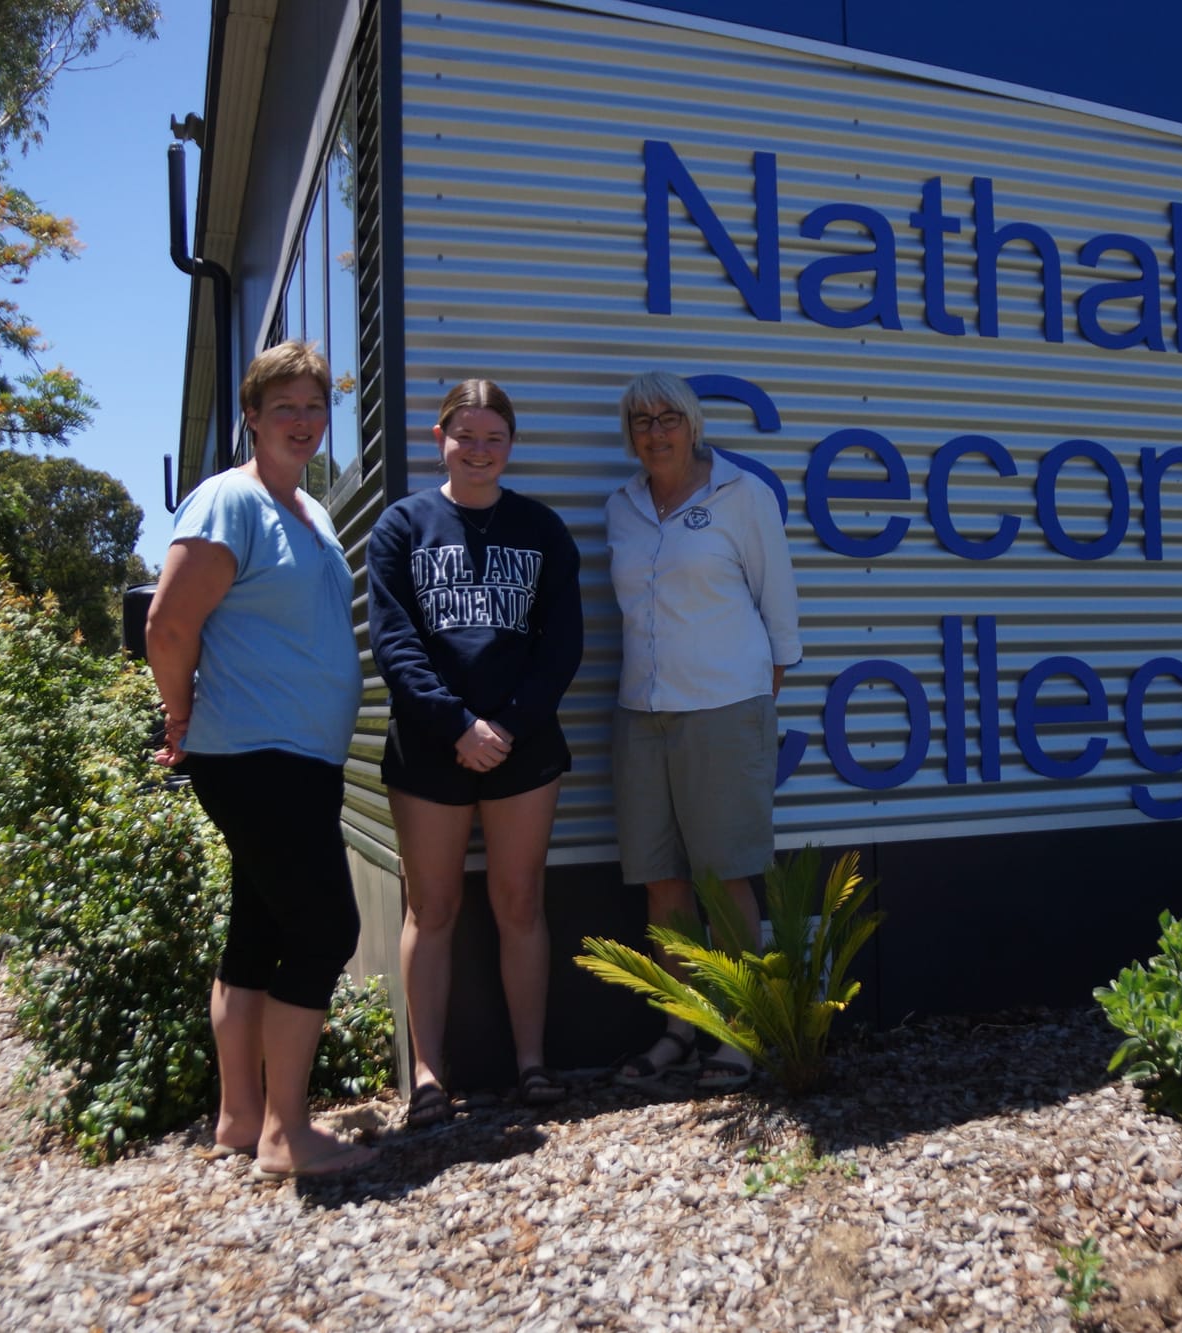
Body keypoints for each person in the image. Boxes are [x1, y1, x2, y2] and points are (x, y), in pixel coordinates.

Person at [146, 340, 373, 1180]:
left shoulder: (308, 512)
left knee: (261, 929)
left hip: (298, 756)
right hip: (253, 751)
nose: (304, 422)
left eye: (315, 407)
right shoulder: (227, 501)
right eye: (286, 407)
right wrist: (178, 712)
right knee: (326, 927)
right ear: (252, 415)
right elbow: (168, 625)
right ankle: (287, 1134)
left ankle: (241, 1118)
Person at [368, 379, 583, 1125]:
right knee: (433, 907)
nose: (480, 450)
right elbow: (393, 641)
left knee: (519, 901)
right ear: (440, 438)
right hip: (430, 747)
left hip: (523, 746)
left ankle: (532, 1063)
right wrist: (455, 723)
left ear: (511, 445)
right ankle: (429, 1074)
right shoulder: (403, 526)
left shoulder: (543, 530)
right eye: (466, 435)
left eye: (495, 437)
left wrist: (509, 726)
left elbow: (561, 646)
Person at [605, 370, 801, 1094]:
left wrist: (754, 685)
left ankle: (741, 1028)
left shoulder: (741, 496)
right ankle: (680, 1028)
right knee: (662, 879)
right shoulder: (620, 507)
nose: (655, 432)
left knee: (725, 875)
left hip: (723, 709)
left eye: (667, 418)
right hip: (640, 713)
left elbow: (778, 607)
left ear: (692, 423)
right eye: (641, 421)